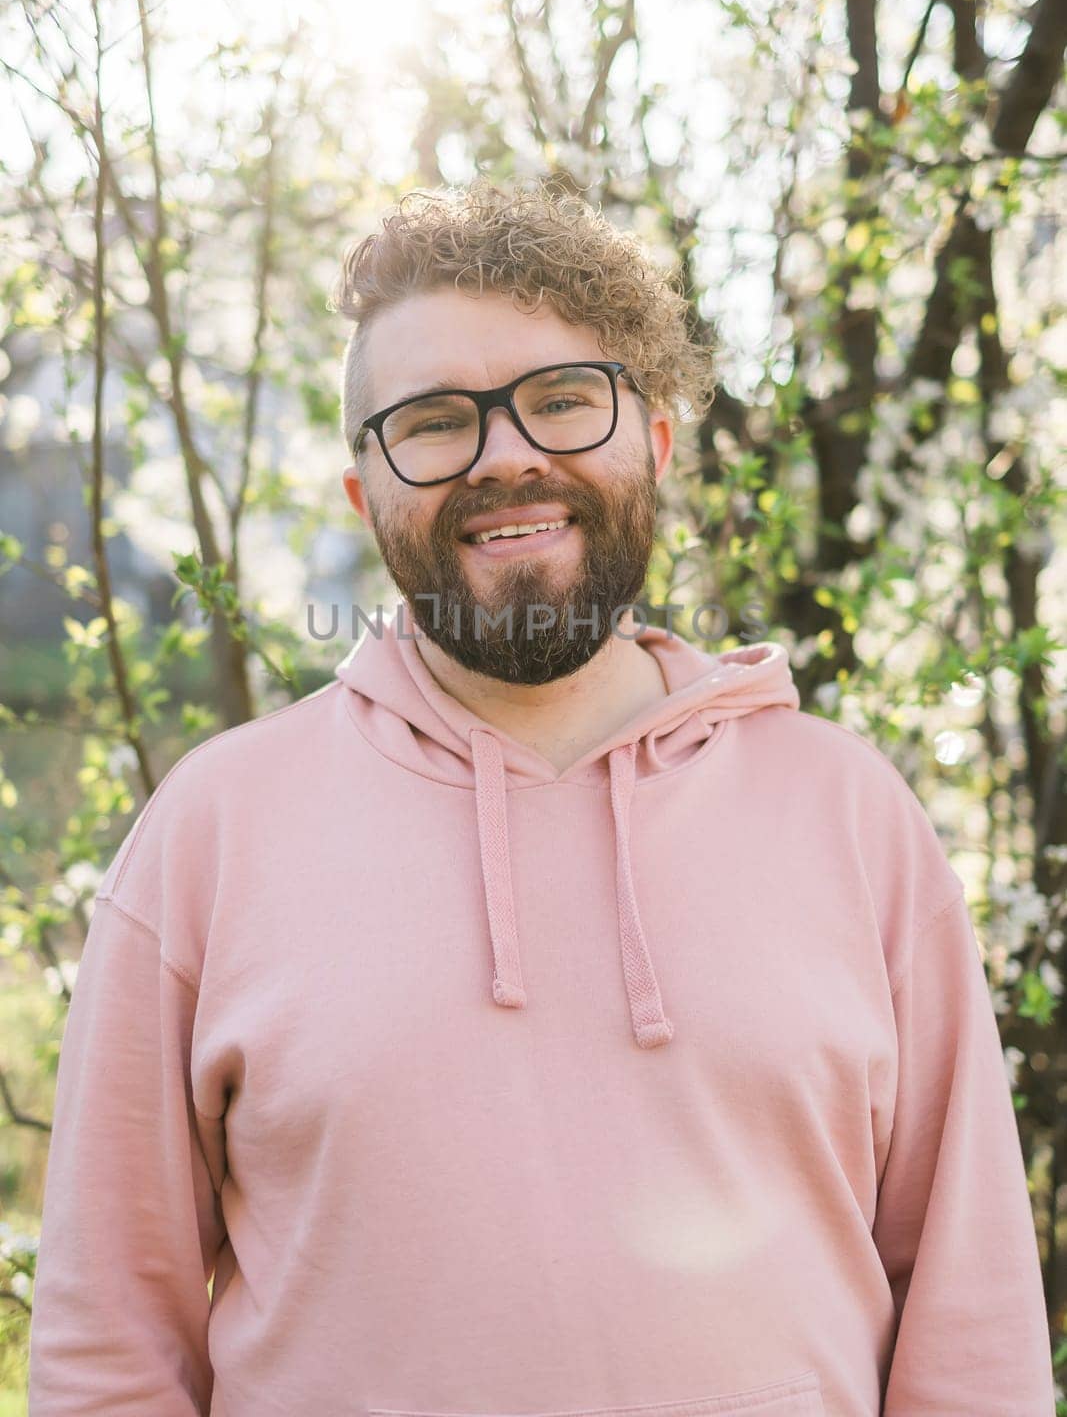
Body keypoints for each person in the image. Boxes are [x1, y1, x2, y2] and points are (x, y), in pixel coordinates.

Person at [28, 180, 1054, 1416]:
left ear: (655, 444)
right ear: (366, 494)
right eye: (435, 419)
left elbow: (971, 1326)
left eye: (562, 399)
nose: (507, 455)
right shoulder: (213, 833)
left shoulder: (848, 815)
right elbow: (107, 1349)